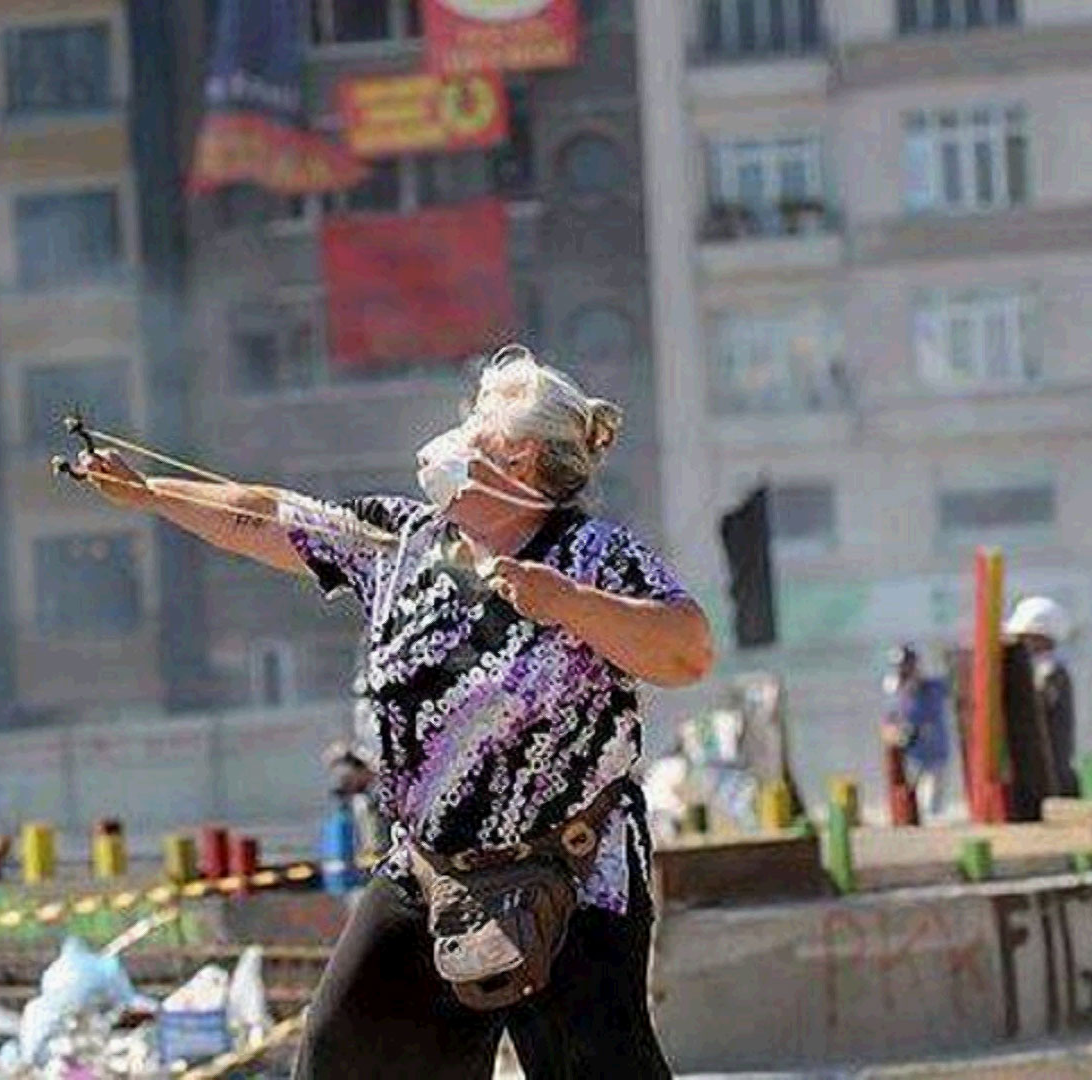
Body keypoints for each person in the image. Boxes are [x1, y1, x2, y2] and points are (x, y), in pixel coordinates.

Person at [78, 345, 712, 1078]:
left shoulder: (593, 555)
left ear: (522, 455)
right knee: (341, 1054)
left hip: (572, 876)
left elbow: (688, 651)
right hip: (430, 872)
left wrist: (568, 602)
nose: (459, 435)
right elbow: (264, 514)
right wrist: (151, 493)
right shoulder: (400, 540)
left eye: (479, 424)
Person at [1004, 597, 1080, 799]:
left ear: (1041, 637)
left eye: (1023, 638)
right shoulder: (1039, 671)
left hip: (1048, 778)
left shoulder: (1051, 674)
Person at [878, 644, 951, 821]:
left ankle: (931, 820)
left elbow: (952, 687)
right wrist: (893, 734)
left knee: (931, 798)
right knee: (910, 793)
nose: (903, 669)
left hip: (933, 749)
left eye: (907, 664)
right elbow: (888, 719)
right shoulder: (893, 688)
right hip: (908, 751)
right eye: (899, 666)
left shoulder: (931, 686)